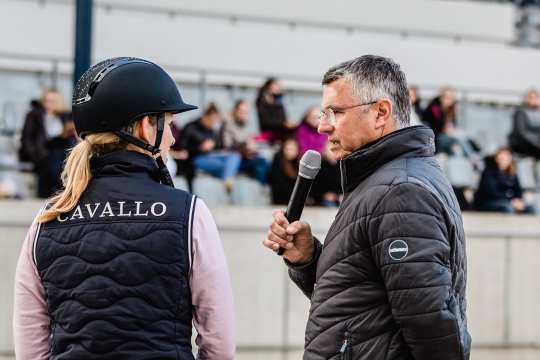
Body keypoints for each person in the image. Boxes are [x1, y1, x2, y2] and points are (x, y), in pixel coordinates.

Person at [13, 57, 235, 360]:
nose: (171, 136)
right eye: (169, 124)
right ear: (147, 127)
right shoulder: (189, 212)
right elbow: (219, 345)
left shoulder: (47, 218)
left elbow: (31, 348)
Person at [263, 55, 471, 360]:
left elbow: (432, 327)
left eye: (335, 112)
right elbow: (360, 305)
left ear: (380, 113)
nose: (322, 126)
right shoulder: (384, 182)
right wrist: (308, 259)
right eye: (323, 112)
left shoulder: (400, 192)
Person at [180, 102, 241, 192]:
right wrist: (200, 148)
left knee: (234, 156)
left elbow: (219, 146)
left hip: (211, 156)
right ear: (205, 116)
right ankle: (227, 179)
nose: (213, 123)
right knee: (227, 166)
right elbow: (183, 148)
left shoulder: (211, 130)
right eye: (212, 120)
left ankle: (227, 179)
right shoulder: (191, 127)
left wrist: (215, 146)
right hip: (195, 158)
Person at [19, 89, 67, 198]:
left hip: (60, 155)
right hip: (42, 155)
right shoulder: (35, 115)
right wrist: (34, 155)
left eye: (52, 101)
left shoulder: (64, 116)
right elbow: (27, 137)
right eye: (46, 101)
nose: (48, 104)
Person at [221, 99, 269, 184]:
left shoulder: (249, 125)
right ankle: (262, 188)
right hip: (236, 159)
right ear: (235, 111)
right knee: (260, 164)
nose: (243, 114)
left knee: (264, 159)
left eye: (246, 112)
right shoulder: (228, 125)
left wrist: (253, 150)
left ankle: (263, 187)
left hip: (249, 157)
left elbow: (254, 142)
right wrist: (243, 149)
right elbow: (227, 146)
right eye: (241, 111)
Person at [474, 147, 534, 214]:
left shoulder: (512, 173)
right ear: (497, 158)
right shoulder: (488, 172)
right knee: (507, 208)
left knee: (530, 209)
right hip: (488, 202)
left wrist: (518, 201)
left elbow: (518, 191)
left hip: (508, 202)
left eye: (506, 157)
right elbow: (492, 192)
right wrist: (511, 201)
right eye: (502, 157)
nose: (504, 159)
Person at [256, 77, 295, 143]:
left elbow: (283, 117)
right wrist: (283, 123)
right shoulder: (261, 101)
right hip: (270, 132)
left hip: (279, 130)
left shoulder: (279, 101)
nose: (279, 87)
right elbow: (266, 121)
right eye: (276, 85)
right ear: (269, 86)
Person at [508, 88, 540, 159]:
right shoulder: (520, 112)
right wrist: (537, 143)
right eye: (531, 97)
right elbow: (522, 132)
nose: (533, 100)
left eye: (536, 97)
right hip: (523, 148)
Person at [268, 137, 299, 205]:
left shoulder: (299, 162)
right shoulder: (278, 160)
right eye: (288, 149)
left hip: (294, 200)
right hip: (280, 200)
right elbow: (277, 183)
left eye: (293, 149)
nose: (290, 152)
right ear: (283, 149)